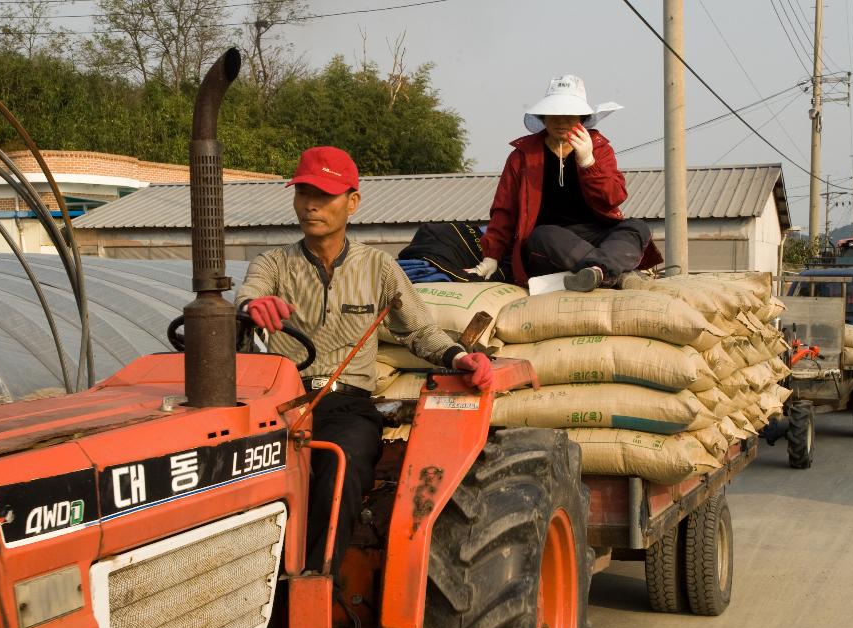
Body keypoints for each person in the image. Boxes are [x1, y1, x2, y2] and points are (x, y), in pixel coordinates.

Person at [236, 146, 494, 573]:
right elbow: (250, 292)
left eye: (324, 194)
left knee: (343, 461)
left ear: (352, 202)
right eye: (303, 193)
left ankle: (316, 588)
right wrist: (251, 306)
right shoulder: (273, 263)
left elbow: (419, 331)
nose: (311, 205)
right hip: (280, 404)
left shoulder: (379, 268)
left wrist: (459, 356)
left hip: (347, 405)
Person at [469, 74, 662, 291]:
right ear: (543, 118)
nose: (561, 122)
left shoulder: (599, 149)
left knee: (636, 227)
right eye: (554, 115)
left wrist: (589, 162)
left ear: (581, 118)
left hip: (594, 236)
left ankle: (597, 272)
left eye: (569, 115)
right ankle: (613, 274)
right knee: (542, 234)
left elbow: (614, 197)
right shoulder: (521, 156)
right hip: (548, 245)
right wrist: (491, 256)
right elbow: (504, 210)